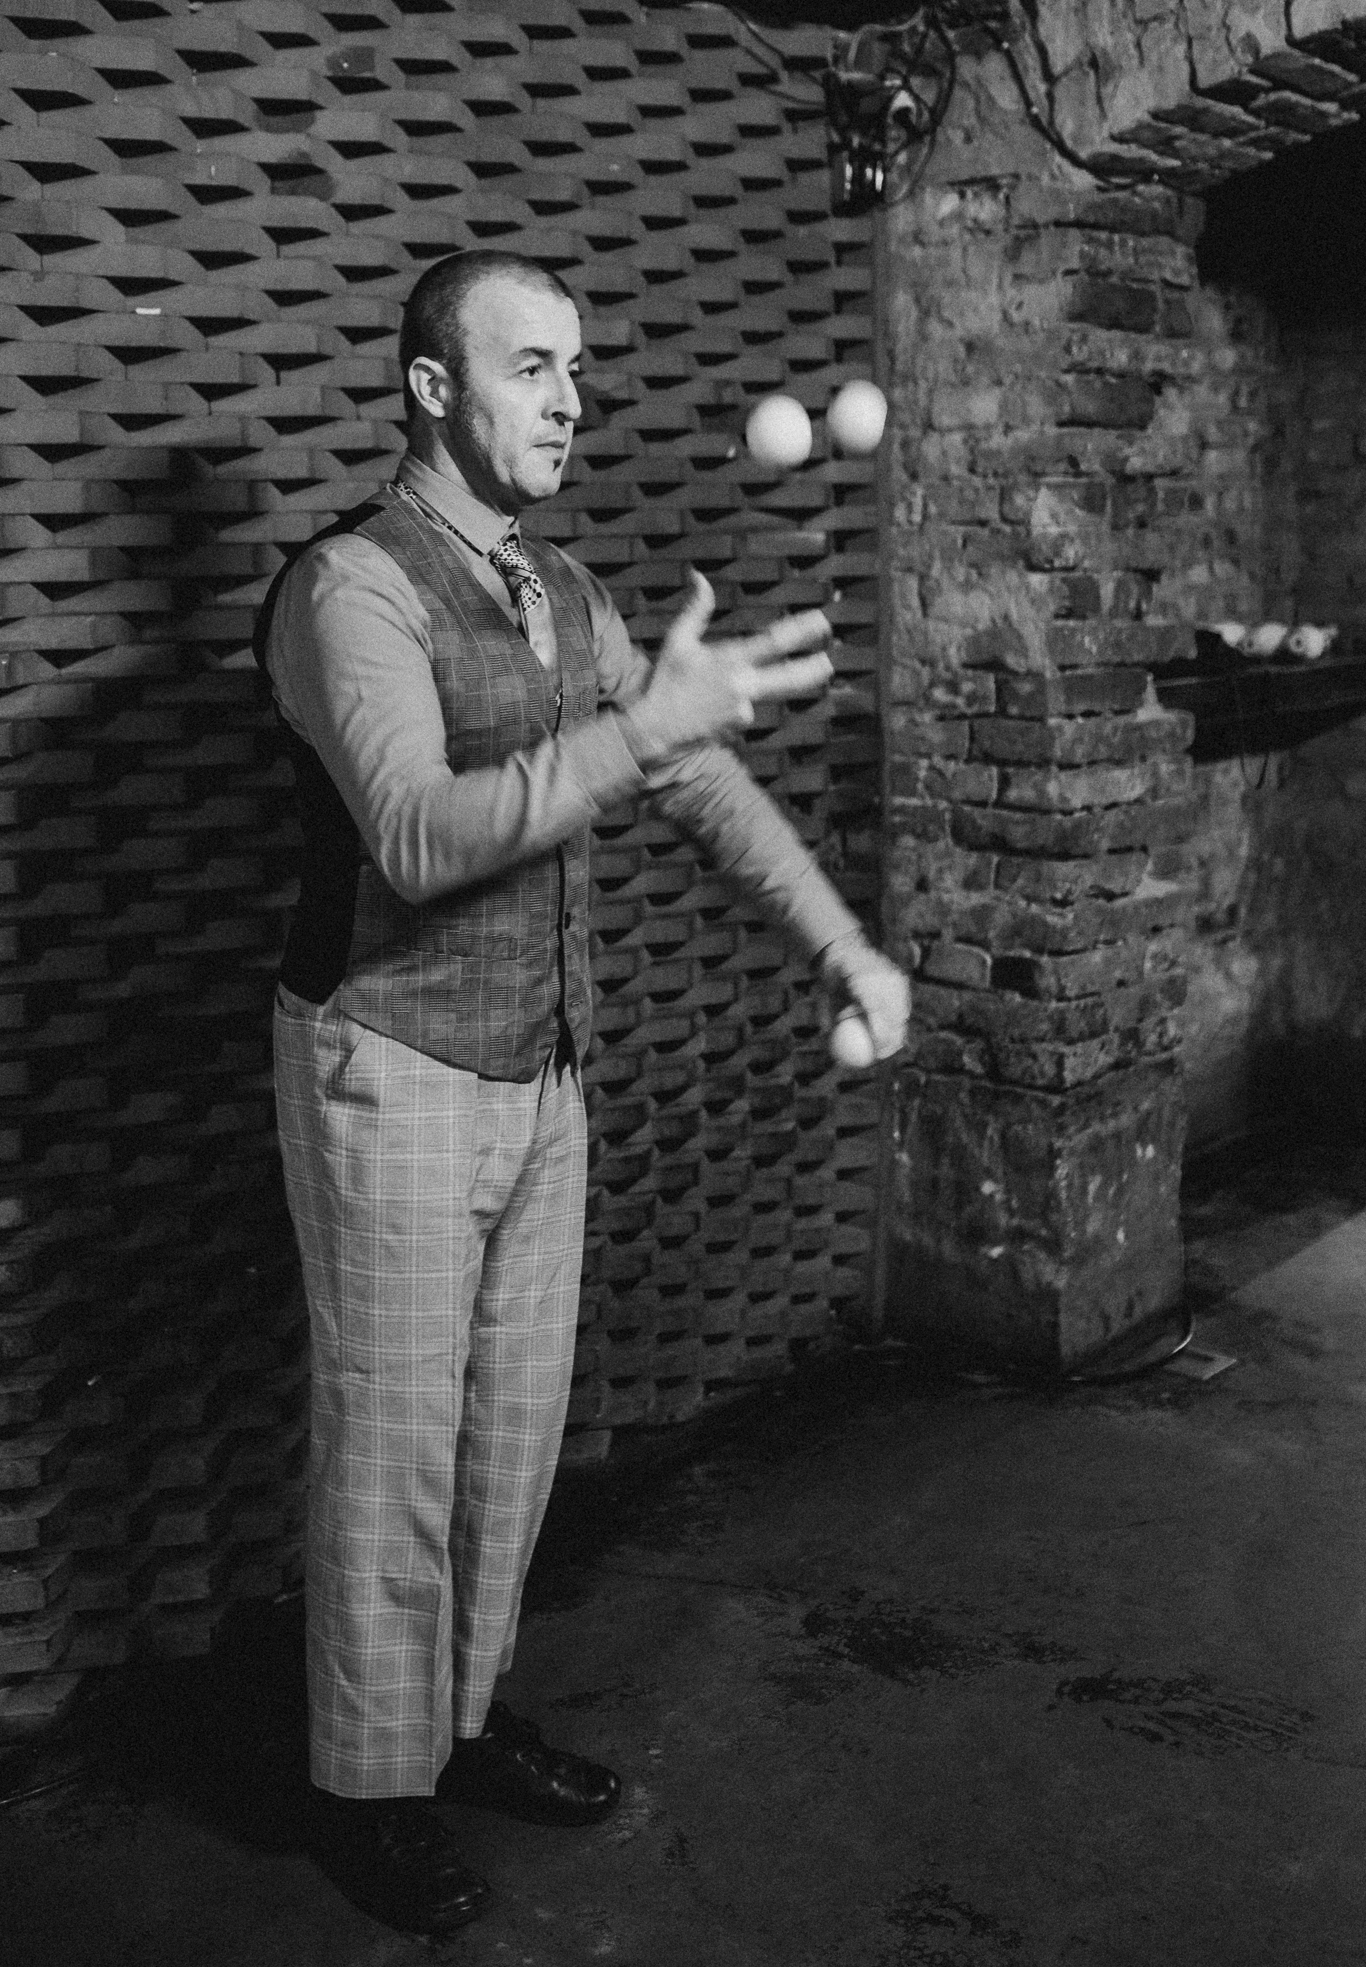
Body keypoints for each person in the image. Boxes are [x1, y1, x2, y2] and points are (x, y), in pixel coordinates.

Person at [253, 250, 909, 1937]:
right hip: (389, 1062)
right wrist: (643, 724)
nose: (568, 402)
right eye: (531, 367)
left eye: (575, 369)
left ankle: (455, 1729)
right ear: (431, 388)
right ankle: (364, 1792)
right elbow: (418, 836)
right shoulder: (350, 589)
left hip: (540, 1071)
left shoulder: (558, 587)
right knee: (395, 1449)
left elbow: (695, 778)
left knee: (508, 1439)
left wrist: (839, 945)